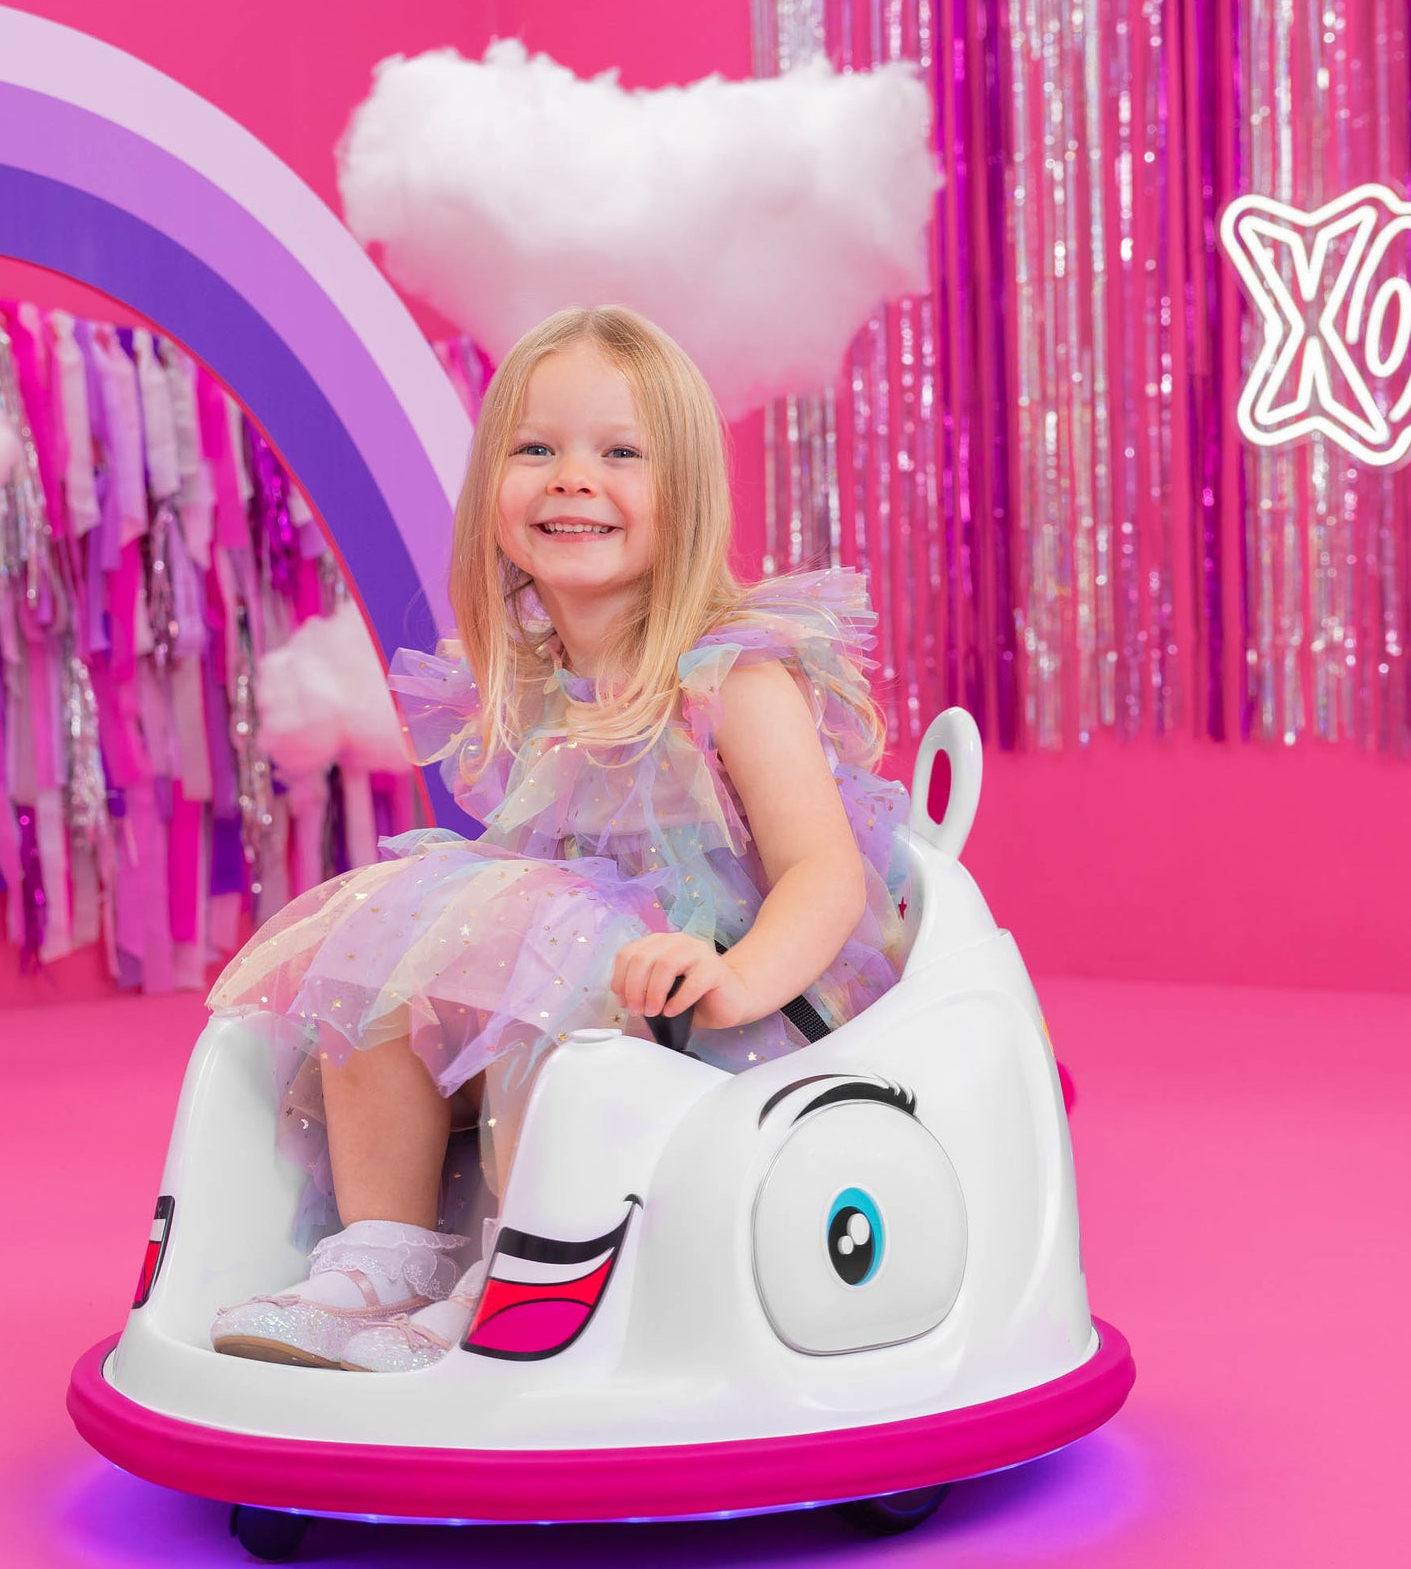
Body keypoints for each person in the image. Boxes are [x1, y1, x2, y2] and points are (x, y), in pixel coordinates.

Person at [205, 305, 909, 1373]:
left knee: (551, 969)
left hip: (718, 1007)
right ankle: (384, 1253)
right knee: (387, 946)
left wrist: (733, 976)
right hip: (580, 977)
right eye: (536, 449)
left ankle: (525, 1262)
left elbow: (823, 872)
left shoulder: (733, 676)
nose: (572, 479)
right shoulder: (532, 678)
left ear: (685, 492)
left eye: (619, 453)